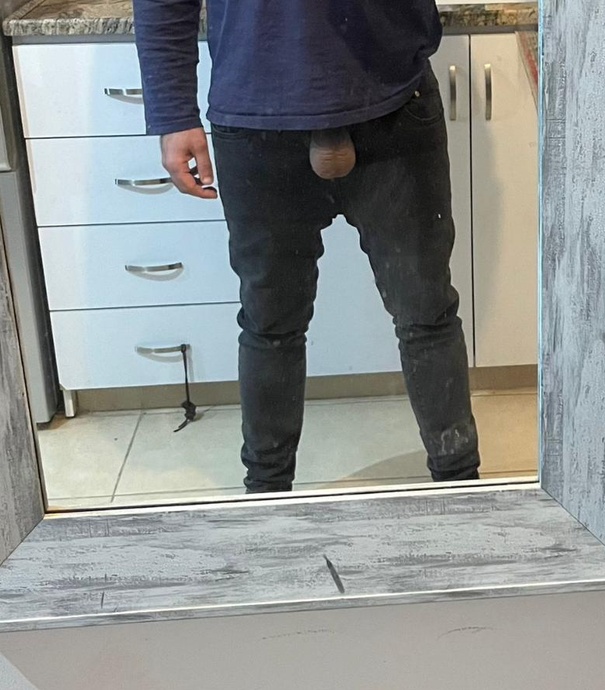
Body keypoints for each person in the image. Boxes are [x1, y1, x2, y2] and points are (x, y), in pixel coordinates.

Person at [133, 0, 480, 493]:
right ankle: (266, 498)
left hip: (394, 101)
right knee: (270, 322)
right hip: (256, 120)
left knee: (426, 312)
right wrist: (172, 110)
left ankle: (463, 491)